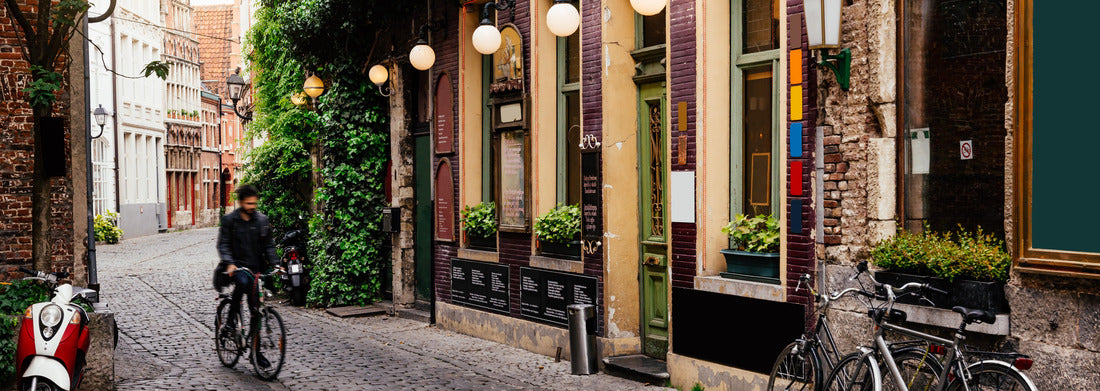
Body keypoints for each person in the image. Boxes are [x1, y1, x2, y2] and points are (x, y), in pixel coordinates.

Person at [216, 184, 279, 367]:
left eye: (254, 203)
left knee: (256, 312)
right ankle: (229, 323)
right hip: (236, 268)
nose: (252, 207)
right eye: (249, 203)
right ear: (241, 202)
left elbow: (269, 246)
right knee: (242, 282)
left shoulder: (262, 220)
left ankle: (255, 352)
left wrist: (276, 264)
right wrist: (229, 262)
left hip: (256, 269)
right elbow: (224, 244)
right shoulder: (230, 220)